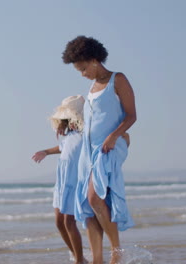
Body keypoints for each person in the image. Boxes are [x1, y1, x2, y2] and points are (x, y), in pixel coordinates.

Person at [62, 36, 137, 264]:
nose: (82, 74)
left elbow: (131, 115)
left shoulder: (118, 79)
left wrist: (115, 136)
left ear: (95, 60)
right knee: (87, 204)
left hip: (109, 146)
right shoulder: (92, 87)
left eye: (83, 68)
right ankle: (97, 260)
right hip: (89, 148)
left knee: (95, 196)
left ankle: (117, 253)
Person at [32, 95, 87, 264]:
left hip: (74, 182)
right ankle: (79, 257)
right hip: (62, 183)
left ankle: (79, 261)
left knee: (69, 221)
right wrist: (46, 152)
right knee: (59, 222)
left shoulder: (86, 134)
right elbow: (62, 147)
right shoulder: (69, 136)